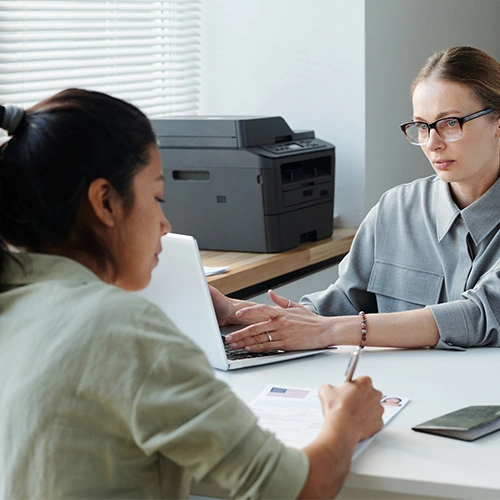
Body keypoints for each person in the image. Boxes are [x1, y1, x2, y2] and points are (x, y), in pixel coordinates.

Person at [0, 89, 383, 500]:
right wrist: (346, 421)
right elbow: (300, 488)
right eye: (156, 197)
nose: (165, 224)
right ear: (106, 202)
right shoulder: (123, 328)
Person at [210, 45, 500, 353]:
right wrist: (242, 314)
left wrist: (328, 330)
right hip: (399, 394)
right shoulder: (395, 209)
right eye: (422, 126)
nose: (432, 143)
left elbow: (479, 314)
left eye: (450, 123)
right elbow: (342, 303)